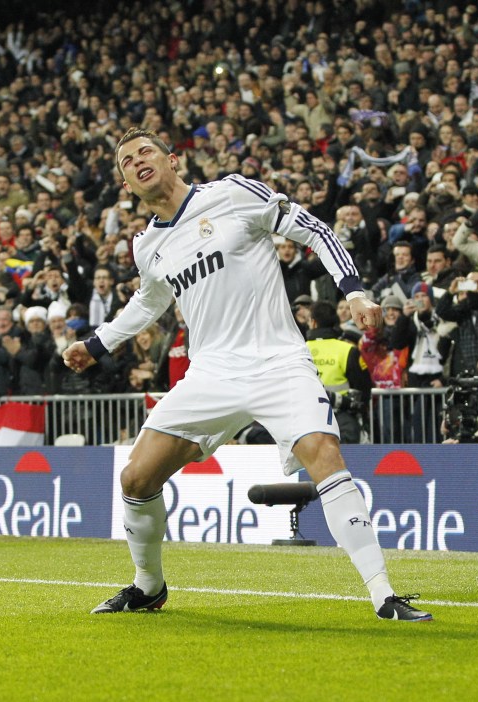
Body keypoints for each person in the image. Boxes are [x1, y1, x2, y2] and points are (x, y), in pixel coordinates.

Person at [63, 128, 431, 622]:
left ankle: (383, 594)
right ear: (127, 184)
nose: (137, 161)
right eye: (127, 160)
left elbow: (315, 230)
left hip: (277, 360)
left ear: (173, 159)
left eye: (145, 151)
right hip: (210, 372)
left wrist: (355, 291)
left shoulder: (233, 193)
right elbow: (149, 301)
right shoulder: (147, 245)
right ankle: (149, 587)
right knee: (135, 476)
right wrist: (96, 344)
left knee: (322, 451)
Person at [305, 300, 372, 444]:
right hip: (341, 420)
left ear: (313, 322)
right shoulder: (347, 350)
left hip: (305, 420)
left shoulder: (299, 351)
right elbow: (364, 388)